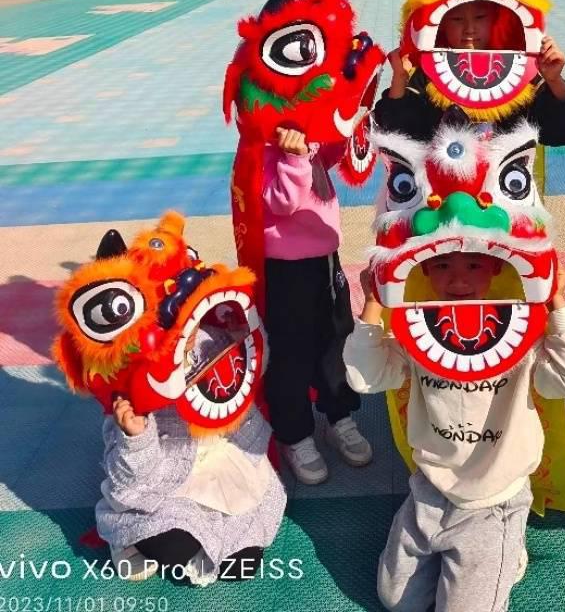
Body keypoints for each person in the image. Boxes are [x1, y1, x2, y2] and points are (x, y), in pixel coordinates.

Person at [344, 253, 565, 612]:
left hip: (493, 501)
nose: (458, 281)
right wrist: (372, 303)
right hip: (429, 490)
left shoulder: (523, 329)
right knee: (396, 601)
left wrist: (556, 299)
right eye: (443, 266)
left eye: (473, 265)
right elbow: (364, 377)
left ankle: (508, 544)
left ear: (495, 268)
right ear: (426, 271)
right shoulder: (419, 328)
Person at [262, 126, 372, 484]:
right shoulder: (261, 144)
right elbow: (282, 201)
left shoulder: (307, 133)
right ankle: (295, 435)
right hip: (283, 267)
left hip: (325, 257)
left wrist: (342, 127)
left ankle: (339, 415)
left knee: (336, 341)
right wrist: (293, 157)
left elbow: (327, 157)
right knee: (290, 354)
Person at [97, 395, 287, 585]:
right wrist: (137, 437)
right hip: (163, 480)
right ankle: (125, 533)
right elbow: (129, 476)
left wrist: (238, 406)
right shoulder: (137, 384)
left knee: (241, 566)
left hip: (224, 470)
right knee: (175, 548)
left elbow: (251, 436)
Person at [373, 0, 565, 146]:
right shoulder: (427, 72)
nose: (469, 29)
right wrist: (399, 79)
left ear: (495, 21)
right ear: (441, 25)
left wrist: (554, 80)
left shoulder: (520, 70)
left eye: (480, 17)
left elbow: (562, 133)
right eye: (456, 19)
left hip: (506, 196)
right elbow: (396, 135)